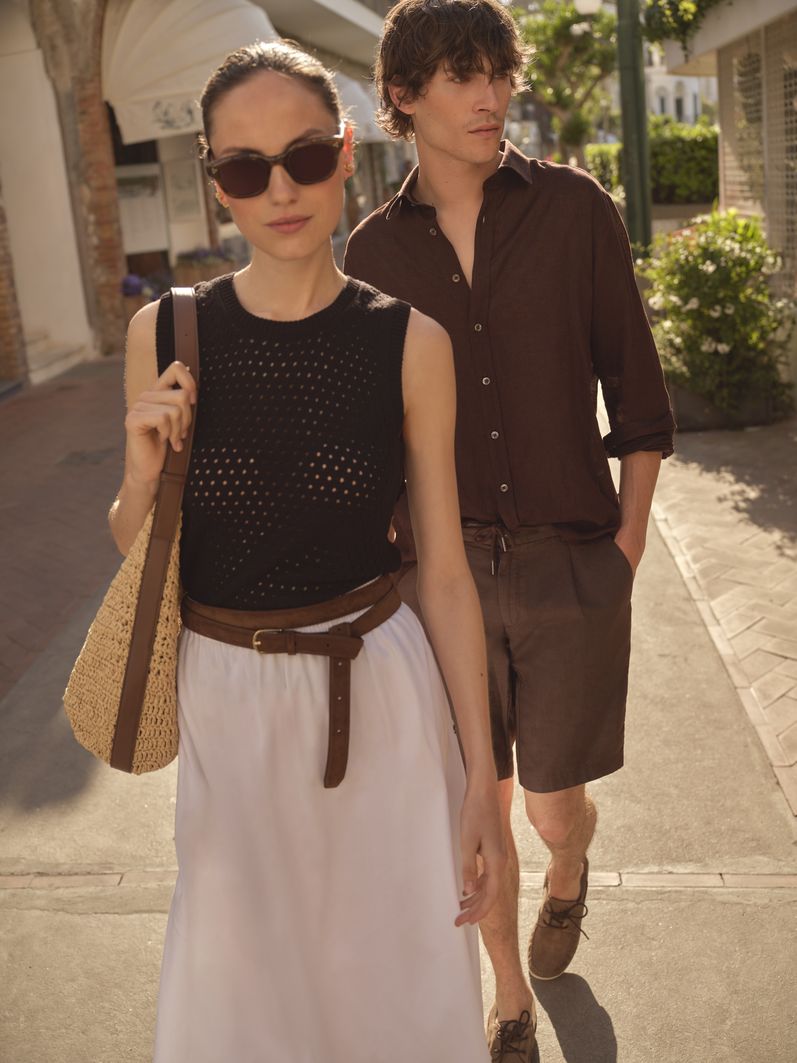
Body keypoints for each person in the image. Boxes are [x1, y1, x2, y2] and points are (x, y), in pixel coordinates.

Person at [110, 39, 504, 1063]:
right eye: (246, 169)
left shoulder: (411, 342)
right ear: (216, 183)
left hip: (379, 690)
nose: (279, 189)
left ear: (346, 153)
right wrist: (143, 472)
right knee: (245, 993)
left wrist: (480, 776)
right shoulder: (165, 333)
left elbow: (444, 573)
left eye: (305, 156)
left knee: (395, 982)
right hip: (225, 699)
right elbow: (136, 550)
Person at [344, 2, 676, 1060]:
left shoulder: (574, 210)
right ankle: (506, 993)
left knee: (547, 806)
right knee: (474, 802)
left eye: (496, 72)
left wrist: (621, 553)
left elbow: (637, 392)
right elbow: (370, 437)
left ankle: (570, 867)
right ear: (403, 96)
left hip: (568, 562)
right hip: (440, 574)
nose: (489, 96)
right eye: (460, 77)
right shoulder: (371, 252)